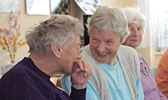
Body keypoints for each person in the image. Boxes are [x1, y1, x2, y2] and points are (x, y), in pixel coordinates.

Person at [0, 15, 91, 100]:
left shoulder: (34, 80)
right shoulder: (21, 82)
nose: (79, 56)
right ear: (57, 49)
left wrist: (79, 86)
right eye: (77, 48)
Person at [61, 6, 144, 100]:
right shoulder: (80, 68)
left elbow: (139, 96)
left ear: (121, 39)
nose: (101, 49)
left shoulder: (130, 56)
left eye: (109, 42)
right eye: (95, 40)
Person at [123, 7, 167, 100]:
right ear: (121, 32)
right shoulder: (120, 61)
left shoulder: (140, 58)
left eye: (139, 28)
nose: (136, 34)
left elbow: (156, 90)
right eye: (130, 29)